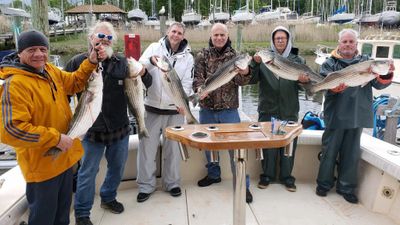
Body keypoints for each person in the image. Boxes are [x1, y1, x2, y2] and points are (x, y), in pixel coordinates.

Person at [0, 29, 105, 225]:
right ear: (19, 53)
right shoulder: (14, 85)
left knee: (62, 217)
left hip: (64, 160)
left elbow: (74, 83)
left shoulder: (49, 70)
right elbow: (10, 130)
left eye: (43, 49)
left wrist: (91, 62)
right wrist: (56, 139)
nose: (39, 54)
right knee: (43, 219)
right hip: (42, 169)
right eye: (32, 49)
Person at [69, 22, 152, 225]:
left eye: (108, 38)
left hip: (119, 129)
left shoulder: (122, 63)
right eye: (100, 36)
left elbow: (147, 83)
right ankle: (82, 212)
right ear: (91, 38)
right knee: (88, 172)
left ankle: (108, 198)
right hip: (91, 132)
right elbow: (64, 88)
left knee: (117, 168)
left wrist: (143, 73)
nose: (104, 41)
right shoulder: (77, 62)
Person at [315, 28, 394, 204]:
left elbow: (379, 85)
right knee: (329, 151)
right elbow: (325, 83)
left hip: (357, 114)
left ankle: (346, 187)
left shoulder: (367, 62)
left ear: (356, 44)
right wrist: (334, 88)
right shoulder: (329, 63)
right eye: (345, 41)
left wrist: (387, 72)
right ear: (339, 44)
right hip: (335, 114)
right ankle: (324, 184)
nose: (348, 45)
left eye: (351, 41)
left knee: (351, 153)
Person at [193, 23, 253, 203]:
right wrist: (201, 91)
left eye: (222, 35)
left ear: (227, 36)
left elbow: (243, 82)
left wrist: (246, 71)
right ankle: (213, 175)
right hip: (207, 109)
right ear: (211, 36)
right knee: (209, 147)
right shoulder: (202, 55)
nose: (219, 38)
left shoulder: (236, 57)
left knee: (236, 150)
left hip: (229, 110)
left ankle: (243, 185)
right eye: (216, 35)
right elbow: (197, 79)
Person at [136, 22, 193, 203]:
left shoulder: (188, 57)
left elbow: (186, 83)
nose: (176, 35)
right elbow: (139, 65)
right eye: (173, 31)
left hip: (174, 112)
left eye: (179, 33)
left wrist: (182, 103)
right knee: (146, 149)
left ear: (183, 36)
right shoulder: (154, 48)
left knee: (173, 150)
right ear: (168, 32)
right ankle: (146, 186)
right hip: (151, 108)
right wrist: (151, 61)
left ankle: (172, 183)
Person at [249, 26, 310, 192]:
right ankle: (266, 176)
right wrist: (254, 63)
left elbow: (306, 88)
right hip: (268, 110)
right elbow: (251, 79)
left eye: (283, 38)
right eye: (277, 38)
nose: (280, 41)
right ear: (273, 41)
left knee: (289, 146)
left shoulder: (298, 61)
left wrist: (305, 82)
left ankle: (287, 177)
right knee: (268, 146)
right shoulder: (264, 60)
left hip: (289, 110)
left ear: (288, 40)